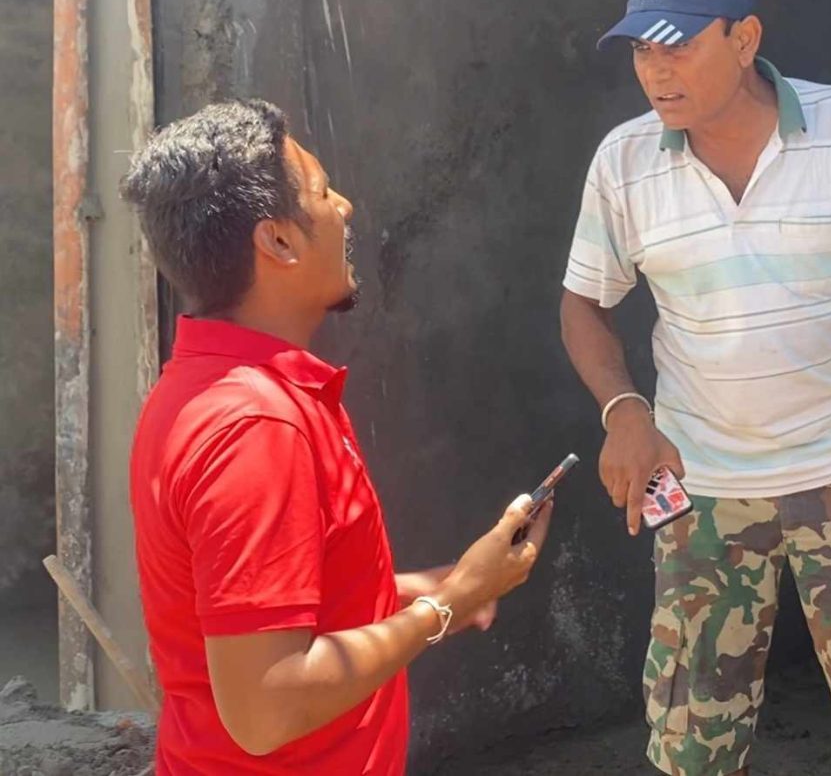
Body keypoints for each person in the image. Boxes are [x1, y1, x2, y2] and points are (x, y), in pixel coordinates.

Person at [560, 0, 831, 776]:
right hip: (698, 492)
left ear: (745, 39)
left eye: (677, 46)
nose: (655, 71)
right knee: (693, 748)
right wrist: (624, 409)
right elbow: (583, 303)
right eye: (641, 49)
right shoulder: (624, 163)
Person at [121, 99, 552, 775]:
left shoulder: (212, 390)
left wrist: (431, 585)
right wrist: (449, 604)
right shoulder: (256, 430)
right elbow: (266, 709)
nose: (344, 207)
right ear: (278, 242)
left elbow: (267, 611)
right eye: (322, 193)